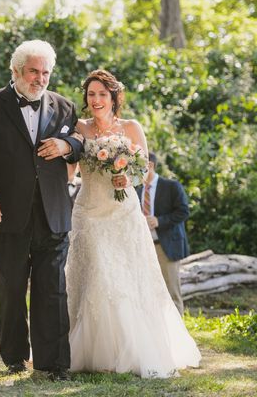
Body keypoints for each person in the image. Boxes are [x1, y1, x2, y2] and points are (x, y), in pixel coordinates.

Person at [64, 69, 200, 378]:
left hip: (123, 213)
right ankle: (86, 351)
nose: (96, 100)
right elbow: (70, 172)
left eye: (102, 94)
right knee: (95, 274)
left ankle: (128, 350)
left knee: (125, 279)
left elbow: (143, 169)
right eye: (91, 94)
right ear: (86, 99)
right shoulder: (79, 128)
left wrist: (128, 176)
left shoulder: (130, 127)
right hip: (88, 213)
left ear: (113, 97)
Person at [0, 40, 83, 380]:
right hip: (3, 214)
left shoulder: (64, 106)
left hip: (53, 213)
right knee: (9, 291)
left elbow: (80, 143)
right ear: (15, 71)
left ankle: (54, 364)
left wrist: (67, 145)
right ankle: (15, 355)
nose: (40, 78)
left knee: (52, 291)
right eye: (33, 71)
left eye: (45, 72)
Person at [136, 152, 190, 315]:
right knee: (146, 292)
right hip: (142, 249)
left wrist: (160, 221)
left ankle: (178, 336)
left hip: (165, 247)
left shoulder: (171, 186)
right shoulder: (135, 189)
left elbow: (183, 211)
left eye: (137, 166)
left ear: (150, 165)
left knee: (172, 293)